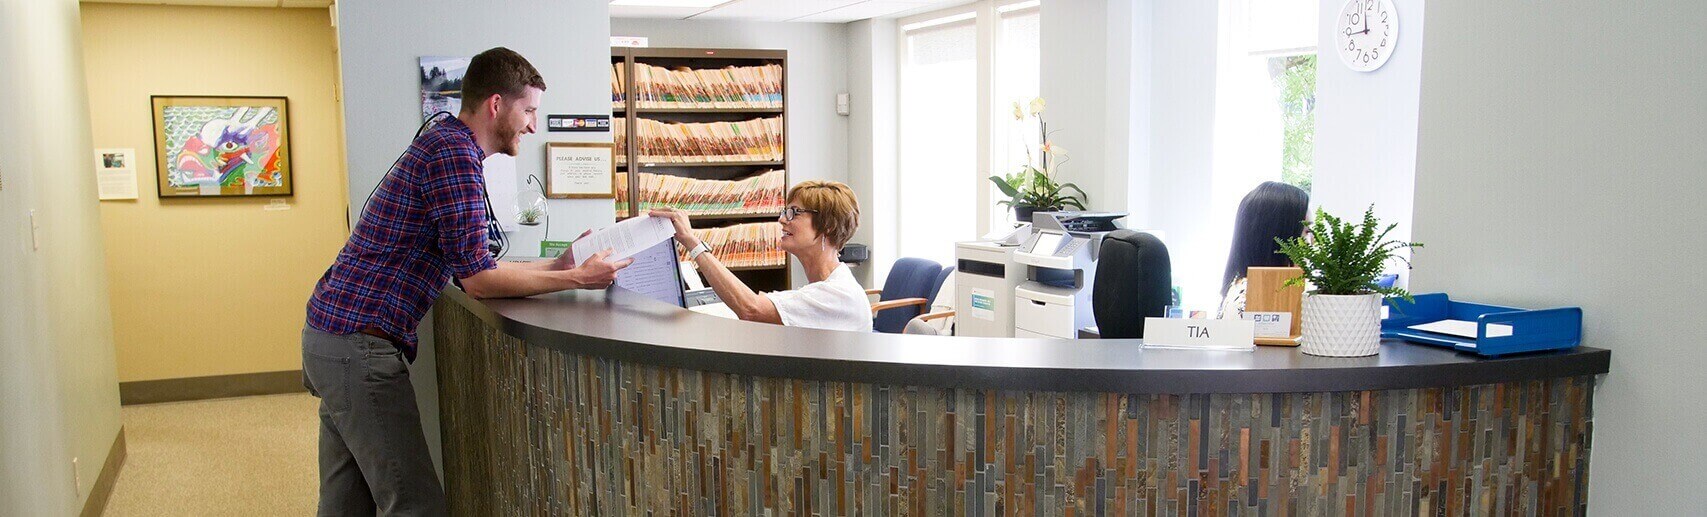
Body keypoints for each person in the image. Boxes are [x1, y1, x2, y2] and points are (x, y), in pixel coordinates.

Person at [300, 47, 631, 515]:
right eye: (530, 111)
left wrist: (562, 263)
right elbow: (478, 279)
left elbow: (471, 262)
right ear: (497, 104)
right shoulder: (454, 154)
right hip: (357, 348)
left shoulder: (444, 142)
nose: (534, 125)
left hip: (330, 338)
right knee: (416, 503)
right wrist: (578, 278)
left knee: (346, 500)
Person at [650, 181, 872, 332]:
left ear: (828, 227)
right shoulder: (827, 286)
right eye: (785, 211)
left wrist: (692, 242)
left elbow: (751, 309)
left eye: (794, 213)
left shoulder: (838, 294)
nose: (782, 220)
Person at [1218, 181, 1309, 319]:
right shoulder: (1250, 298)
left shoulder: (1253, 291)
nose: (1313, 241)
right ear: (1281, 237)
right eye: (1307, 232)